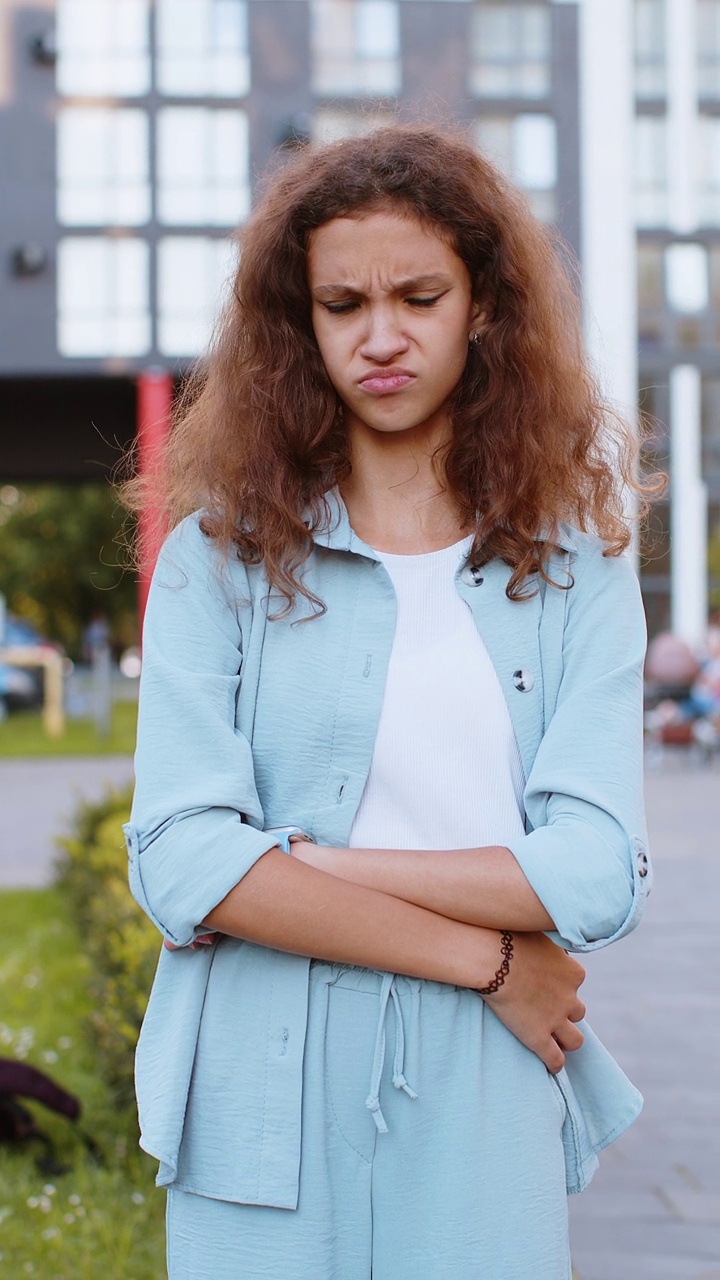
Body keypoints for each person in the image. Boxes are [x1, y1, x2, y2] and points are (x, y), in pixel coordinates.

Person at [125, 124, 654, 1279]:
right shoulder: (223, 558)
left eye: (420, 295)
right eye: (341, 303)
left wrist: (296, 864)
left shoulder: (575, 563)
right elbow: (178, 856)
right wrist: (495, 959)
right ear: (298, 325)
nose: (380, 336)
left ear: (484, 307)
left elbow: (598, 866)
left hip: (485, 1076)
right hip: (263, 1072)